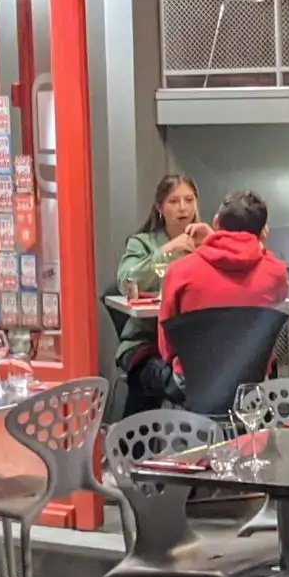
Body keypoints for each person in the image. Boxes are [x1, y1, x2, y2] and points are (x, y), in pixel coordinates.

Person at [157, 189, 289, 366]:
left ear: (216, 222)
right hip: (252, 378)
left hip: (193, 380)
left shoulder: (179, 271)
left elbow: (166, 345)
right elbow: (279, 296)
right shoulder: (275, 271)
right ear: (262, 232)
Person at [112, 174, 208, 416]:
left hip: (195, 340)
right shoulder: (142, 243)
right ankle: (133, 446)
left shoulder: (206, 241)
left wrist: (213, 240)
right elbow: (126, 282)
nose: (183, 208)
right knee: (155, 378)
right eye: (174, 201)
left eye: (189, 199)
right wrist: (165, 251)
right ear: (159, 207)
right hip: (147, 340)